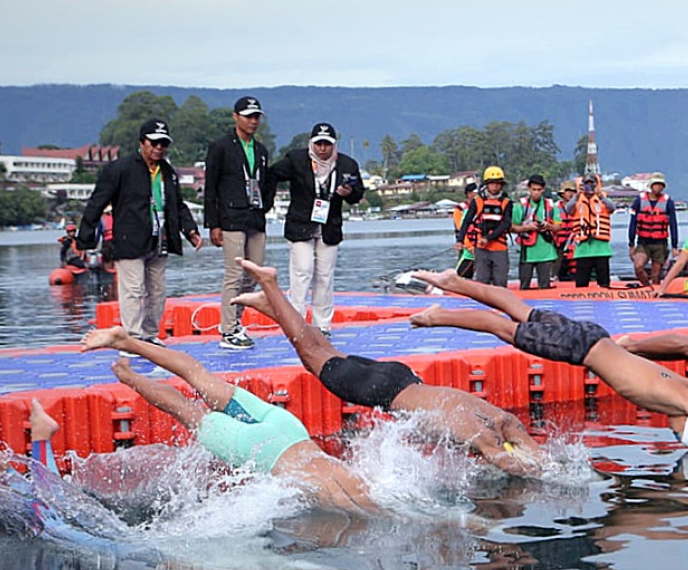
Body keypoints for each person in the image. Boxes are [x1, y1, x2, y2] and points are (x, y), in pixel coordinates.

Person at [232, 258, 542, 477]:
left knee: (326, 351)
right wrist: (545, 477)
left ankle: (268, 305)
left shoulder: (503, 419)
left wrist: (543, 464)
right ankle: (270, 285)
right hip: (382, 391)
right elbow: (508, 462)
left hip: (403, 377)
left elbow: (534, 456)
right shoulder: (484, 431)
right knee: (312, 354)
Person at [406, 269, 688, 451]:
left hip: (595, 336)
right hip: (582, 349)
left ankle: (454, 281)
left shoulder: (683, 395)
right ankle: (437, 315)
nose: (676, 430)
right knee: (501, 328)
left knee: (520, 309)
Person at [79, 327, 379, 515]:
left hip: (288, 429)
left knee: (199, 375)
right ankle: (129, 377)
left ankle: (127, 341)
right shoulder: (352, 501)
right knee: (183, 408)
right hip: (257, 450)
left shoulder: (371, 483)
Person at [77, 119, 203, 350]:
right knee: (133, 290)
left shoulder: (168, 172)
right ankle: (133, 337)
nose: (158, 148)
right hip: (130, 239)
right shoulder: (120, 169)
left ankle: (151, 333)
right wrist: (84, 237)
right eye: (154, 143)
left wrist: (191, 231)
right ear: (142, 143)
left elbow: (177, 204)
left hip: (160, 239)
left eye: (163, 143)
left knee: (157, 290)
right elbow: (97, 202)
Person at [268, 122, 364, 336]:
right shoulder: (296, 159)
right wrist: (266, 201)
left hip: (329, 227)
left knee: (324, 276)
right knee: (302, 270)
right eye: (319, 143)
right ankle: (298, 322)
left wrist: (348, 192)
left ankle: (322, 325)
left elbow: (358, 194)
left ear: (334, 145)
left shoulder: (347, 164)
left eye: (327, 144)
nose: (323, 148)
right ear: (311, 144)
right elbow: (272, 174)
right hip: (300, 225)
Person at [204, 96, 275, 351]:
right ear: (235, 117)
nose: (253, 121)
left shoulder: (261, 150)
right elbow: (210, 186)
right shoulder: (221, 147)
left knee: (254, 273)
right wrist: (213, 223)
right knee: (234, 273)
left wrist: (266, 205)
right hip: (230, 218)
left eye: (256, 117)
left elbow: (267, 183)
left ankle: (236, 321)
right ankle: (228, 329)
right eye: (248, 116)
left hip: (255, 217)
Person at [457, 166, 513, 287]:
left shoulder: (506, 202)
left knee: (500, 281)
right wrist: (460, 240)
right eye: (492, 183)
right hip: (481, 248)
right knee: (482, 281)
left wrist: (488, 238)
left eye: (498, 184)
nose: (495, 187)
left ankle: (501, 303)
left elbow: (506, 224)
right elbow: (467, 221)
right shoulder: (477, 201)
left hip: (499, 247)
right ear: (487, 184)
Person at [512, 174, 563, 290]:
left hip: (546, 253)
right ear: (529, 189)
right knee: (524, 287)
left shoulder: (551, 205)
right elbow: (512, 227)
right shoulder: (521, 206)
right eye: (534, 190)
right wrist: (527, 228)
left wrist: (548, 226)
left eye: (539, 190)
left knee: (544, 287)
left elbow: (559, 226)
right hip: (527, 253)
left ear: (543, 190)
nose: (536, 193)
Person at [627, 173, 678, 286]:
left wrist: (674, 246)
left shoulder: (668, 202)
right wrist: (631, 244)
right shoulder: (639, 201)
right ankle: (646, 287)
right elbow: (633, 223)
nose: (658, 187)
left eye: (660, 185)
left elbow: (673, 225)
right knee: (638, 267)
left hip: (660, 243)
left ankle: (654, 290)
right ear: (651, 185)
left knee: (656, 275)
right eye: (656, 185)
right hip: (643, 242)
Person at [571, 174, 614, 288]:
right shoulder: (577, 199)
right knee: (581, 283)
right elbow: (568, 210)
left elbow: (612, 208)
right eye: (586, 184)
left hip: (601, 248)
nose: (589, 187)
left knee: (604, 283)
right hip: (583, 249)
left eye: (592, 184)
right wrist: (576, 195)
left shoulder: (602, 198)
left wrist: (600, 196)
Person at [553, 182, 579, 282]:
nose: (571, 194)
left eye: (573, 191)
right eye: (568, 191)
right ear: (562, 194)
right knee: (557, 267)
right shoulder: (555, 208)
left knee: (576, 267)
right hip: (559, 244)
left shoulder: (578, 208)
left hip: (575, 243)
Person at [452, 183, 478, 279]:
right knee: (464, 267)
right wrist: (469, 246)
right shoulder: (460, 209)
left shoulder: (480, 206)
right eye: (475, 193)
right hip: (464, 242)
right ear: (469, 194)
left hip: (477, 241)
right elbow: (460, 227)